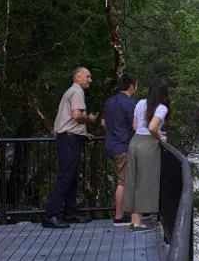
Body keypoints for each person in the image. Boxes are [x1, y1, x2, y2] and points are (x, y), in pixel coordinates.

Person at [43, 66, 99, 229]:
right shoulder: (77, 92)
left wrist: (83, 134)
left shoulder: (72, 91)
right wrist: (88, 119)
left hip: (69, 138)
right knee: (66, 177)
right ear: (77, 77)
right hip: (68, 140)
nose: (90, 80)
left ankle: (70, 212)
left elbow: (70, 120)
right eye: (88, 76)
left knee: (72, 177)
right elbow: (76, 116)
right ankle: (51, 215)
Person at [124, 78, 170, 233]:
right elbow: (152, 127)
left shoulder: (141, 103)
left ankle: (133, 220)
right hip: (147, 145)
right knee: (145, 182)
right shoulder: (161, 108)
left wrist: (155, 131)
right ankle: (138, 223)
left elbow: (135, 125)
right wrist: (160, 136)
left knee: (133, 180)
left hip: (134, 142)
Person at [101, 72, 138, 226]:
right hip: (123, 146)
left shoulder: (109, 101)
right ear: (132, 86)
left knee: (122, 180)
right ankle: (119, 217)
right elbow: (135, 125)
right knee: (123, 182)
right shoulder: (130, 103)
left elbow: (103, 123)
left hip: (110, 145)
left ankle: (123, 213)